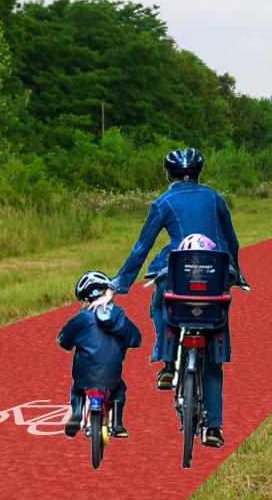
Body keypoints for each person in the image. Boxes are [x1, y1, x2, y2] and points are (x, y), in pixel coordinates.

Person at [90, 148, 245, 448]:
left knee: (161, 302)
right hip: (216, 275)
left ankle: (167, 363)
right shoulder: (215, 198)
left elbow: (141, 248)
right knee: (216, 331)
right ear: (200, 173)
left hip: (177, 272)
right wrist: (235, 271)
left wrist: (118, 284)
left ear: (169, 175)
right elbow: (232, 240)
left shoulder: (164, 201)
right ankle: (213, 428)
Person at [57, 271, 142, 438]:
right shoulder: (119, 315)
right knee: (119, 389)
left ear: (85, 298)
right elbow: (136, 339)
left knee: (77, 389)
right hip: (112, 375)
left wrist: (68, 341)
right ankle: (117, 423)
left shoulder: (81, 318)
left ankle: (76, 413)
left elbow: (64, 341)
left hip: (85, 375)